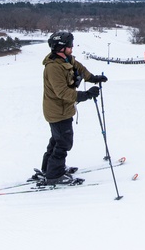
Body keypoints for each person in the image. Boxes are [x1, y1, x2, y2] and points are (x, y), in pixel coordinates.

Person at [36, 31, 106, 185]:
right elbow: (62, 92)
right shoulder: (53, 67)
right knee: (64, 142)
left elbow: (79, 68)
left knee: (57, 139)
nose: (72, 48)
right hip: (58, 111)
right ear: (61, 47)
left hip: (62, 110)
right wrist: (87, 95)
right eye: (70, 45)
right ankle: (54, 175)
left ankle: (48, 168)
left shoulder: (66, 60)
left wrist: (92, 78)